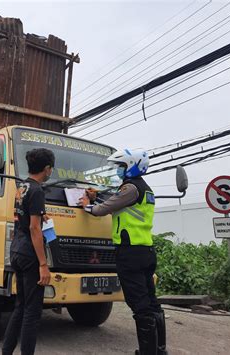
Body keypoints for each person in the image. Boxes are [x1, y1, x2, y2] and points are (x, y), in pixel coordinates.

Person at [79, 148, 167, 355]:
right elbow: (118, 201)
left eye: (120, 167)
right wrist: (99, 194)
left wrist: (86, 205)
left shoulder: (130, 188)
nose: (117, 171)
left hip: (130, 254)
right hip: (145, 250)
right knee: (152, 304)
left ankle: (147, 352)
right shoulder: (145, 189)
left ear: (131, 167)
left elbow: (102, 209)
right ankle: (159, 350)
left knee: (140, 306)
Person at [2, 148, 55, 355]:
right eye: (51, 168)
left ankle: (6, 351)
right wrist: (43, 264)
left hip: (16, 250)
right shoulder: (38, 190)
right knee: (32, 312)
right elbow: (34, 229)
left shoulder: (22, 187)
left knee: (21, 306)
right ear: (47, 169)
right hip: (29, 254)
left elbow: (24, 217)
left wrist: (39, 215)